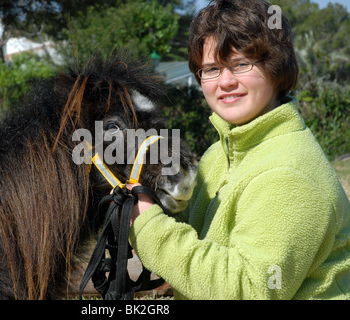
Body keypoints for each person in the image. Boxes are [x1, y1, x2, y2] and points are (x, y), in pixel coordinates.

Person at [127, 0, 350, 299]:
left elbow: (248, 289)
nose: (226, 82)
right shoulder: (219, 154)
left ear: (276, 67)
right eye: (211, 69)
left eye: (242, 64)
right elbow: (198, 240)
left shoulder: (289, 174)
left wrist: (148, 228)